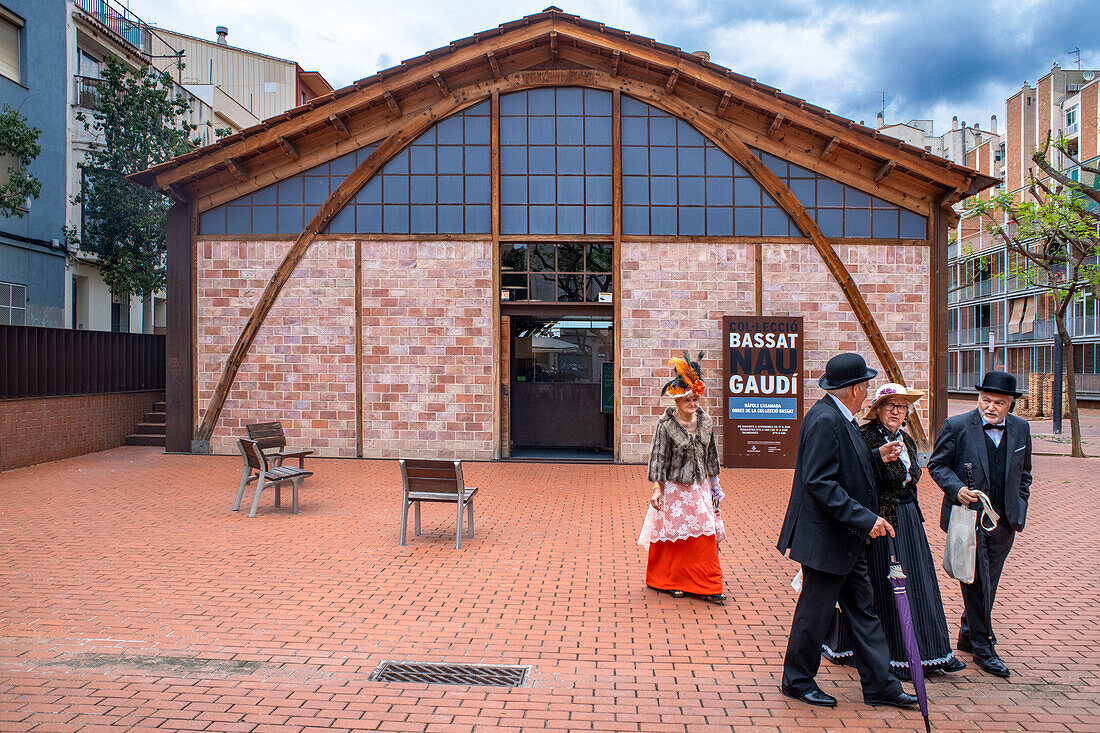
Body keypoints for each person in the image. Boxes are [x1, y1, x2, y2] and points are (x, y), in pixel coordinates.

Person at [777, 352, 917, 709]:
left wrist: (875, 456)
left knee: (863, 610)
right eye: (865, 385)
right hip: (827, 539)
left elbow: (842, 467)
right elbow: (820, 482)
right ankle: (797, 680)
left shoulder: (840, 417)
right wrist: (866, 519)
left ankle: (880, 685)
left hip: (845, 539)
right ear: (853, 388)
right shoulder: (826, 420)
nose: (867, 391)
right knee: (815, 612)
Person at [823, 383, 967, 679]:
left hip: (909, 520)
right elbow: (856, 479)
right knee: (886, 588)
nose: (896, 411)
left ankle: (933, 652)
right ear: (877, 410)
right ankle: (896, 656)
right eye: (890, 406)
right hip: (881, 521)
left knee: (920, 583)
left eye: (902, 407)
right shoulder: (864, 437)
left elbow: (911, 477)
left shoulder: (907, 439)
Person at [928, 370, 1032, 679]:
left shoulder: (1021, 429)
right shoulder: (957, 426)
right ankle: (984, 647)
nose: (990, 407)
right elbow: (937, 464)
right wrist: (956, 488)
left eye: (999, 402)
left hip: (1004, 522)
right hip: (967, 519)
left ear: (1010, 404)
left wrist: (1020, 505)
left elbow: (1024, 474)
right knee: (976, 582)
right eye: (986, 400)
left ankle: (967, 632)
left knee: (990, 579)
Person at [638, 351, 726, 604]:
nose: (693, 403)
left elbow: (712, 455)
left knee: (704, 534)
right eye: (688, 399)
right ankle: (672, 581)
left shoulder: (706, 422)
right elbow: (658, 459)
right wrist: (657, 489)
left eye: (695, 399)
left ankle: (708, 583)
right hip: (674, 489)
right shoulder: (665, 426)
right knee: (674, 536)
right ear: (677, 400)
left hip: (699, 487)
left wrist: (715, 486)